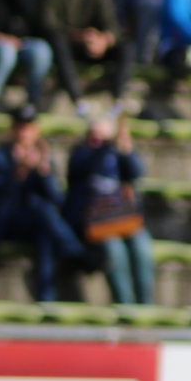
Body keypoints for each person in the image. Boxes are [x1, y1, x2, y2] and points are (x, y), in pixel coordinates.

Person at [0, 106, 84, 301]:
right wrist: (19, 172)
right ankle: (74, 251)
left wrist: (44, 173)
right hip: (3, 224)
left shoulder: (42, 159)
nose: (24, 133)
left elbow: (57, 199)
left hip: (31, 224)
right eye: (20, 127)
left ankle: (46, 300)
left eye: (28, 128)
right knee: (42, 212)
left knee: (45, 235)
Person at [64, 112, 153, 305]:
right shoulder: (80, 155)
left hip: (122, 218)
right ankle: (125, 304)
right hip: (95, 223)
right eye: (93, 136)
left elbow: (135, 173)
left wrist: (126, 150)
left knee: (142, 247)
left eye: (103, 138)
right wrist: (108, 146)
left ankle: (145, 305)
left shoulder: (116, 156)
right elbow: (85, 166)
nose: (98, 141)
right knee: (114, 250)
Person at [38, 0, 121, 109]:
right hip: (69, 44)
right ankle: (78, 102)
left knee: (126, 48)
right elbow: (48, 24)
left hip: (93, 46)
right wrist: (79, 36)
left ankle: (118, 102)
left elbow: (111, 23)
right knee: (57, 43)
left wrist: (104, 39)